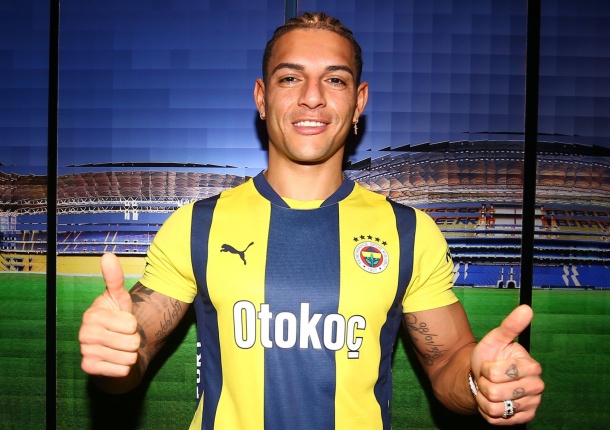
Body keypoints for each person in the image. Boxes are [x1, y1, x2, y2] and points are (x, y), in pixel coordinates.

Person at [79, 12, 544, 429]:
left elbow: (448, 365)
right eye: (290, 78)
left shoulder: (409, 233)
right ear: (262, 97)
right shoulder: (196, 225)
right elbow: (133, 356)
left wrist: (481, 382)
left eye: (335, 80)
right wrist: (113, 356)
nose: (312, 98)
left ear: (358, 101)